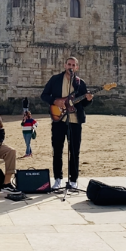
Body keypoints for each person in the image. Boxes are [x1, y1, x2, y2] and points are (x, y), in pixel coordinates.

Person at [40, 57, 93, 190]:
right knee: (57, 150)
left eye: (73, 65)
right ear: (65, 65)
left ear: (77, 67)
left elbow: (84, 104)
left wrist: (89, 99)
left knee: (74, 151)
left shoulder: (80, 83)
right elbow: (44, 95)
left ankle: (73, 180)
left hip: (75, 121)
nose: (71, 66)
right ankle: (58, 178)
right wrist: (55, 102)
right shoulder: (55, 79)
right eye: (69, 64)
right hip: (59, 120)